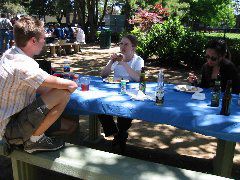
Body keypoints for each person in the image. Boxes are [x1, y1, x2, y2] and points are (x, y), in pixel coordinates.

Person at [0, 16, 78, 153]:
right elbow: (70, 86)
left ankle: (38, 136)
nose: (44, 41)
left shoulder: (9, 53)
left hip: (9, 121)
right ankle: (34, 141)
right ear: (33, 40)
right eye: (43, 38)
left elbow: (43, 89)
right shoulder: (24, 65)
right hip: (9, 130)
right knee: (63, 94)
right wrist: (69, 83)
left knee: (70, 124)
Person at [99, 34, 144, 153]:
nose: (122, 46)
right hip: (113, 91)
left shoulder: (138, 60)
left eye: (126, 44)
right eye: (121, 43)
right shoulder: (116, 59)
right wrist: (111, 62)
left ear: (133, 47)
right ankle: (117, 133)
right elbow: (103, 75)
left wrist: (124, 63)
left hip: (129, 93)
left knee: (124, 115)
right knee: (99, 104)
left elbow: (138, 78)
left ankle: (120, 135)